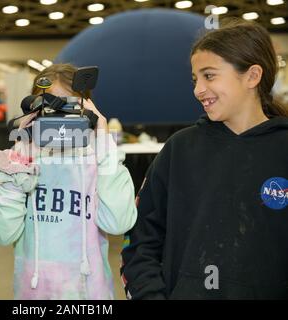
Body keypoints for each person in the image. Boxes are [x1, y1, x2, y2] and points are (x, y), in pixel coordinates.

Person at [121, 19, 288, 299]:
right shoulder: (179, 150)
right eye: (195, 79)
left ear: (252, 76)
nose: (198, 89)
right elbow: (140, 239)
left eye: (209, 76)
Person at [0, 63, 137, 299]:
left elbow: (118, 223)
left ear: (86, 109)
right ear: (33, 110)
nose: (59, 121)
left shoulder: (100, 162)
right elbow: (3, 234)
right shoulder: (17, 163)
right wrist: (20, 152)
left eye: (67, 108)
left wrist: (103, 143)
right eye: (49, 108)